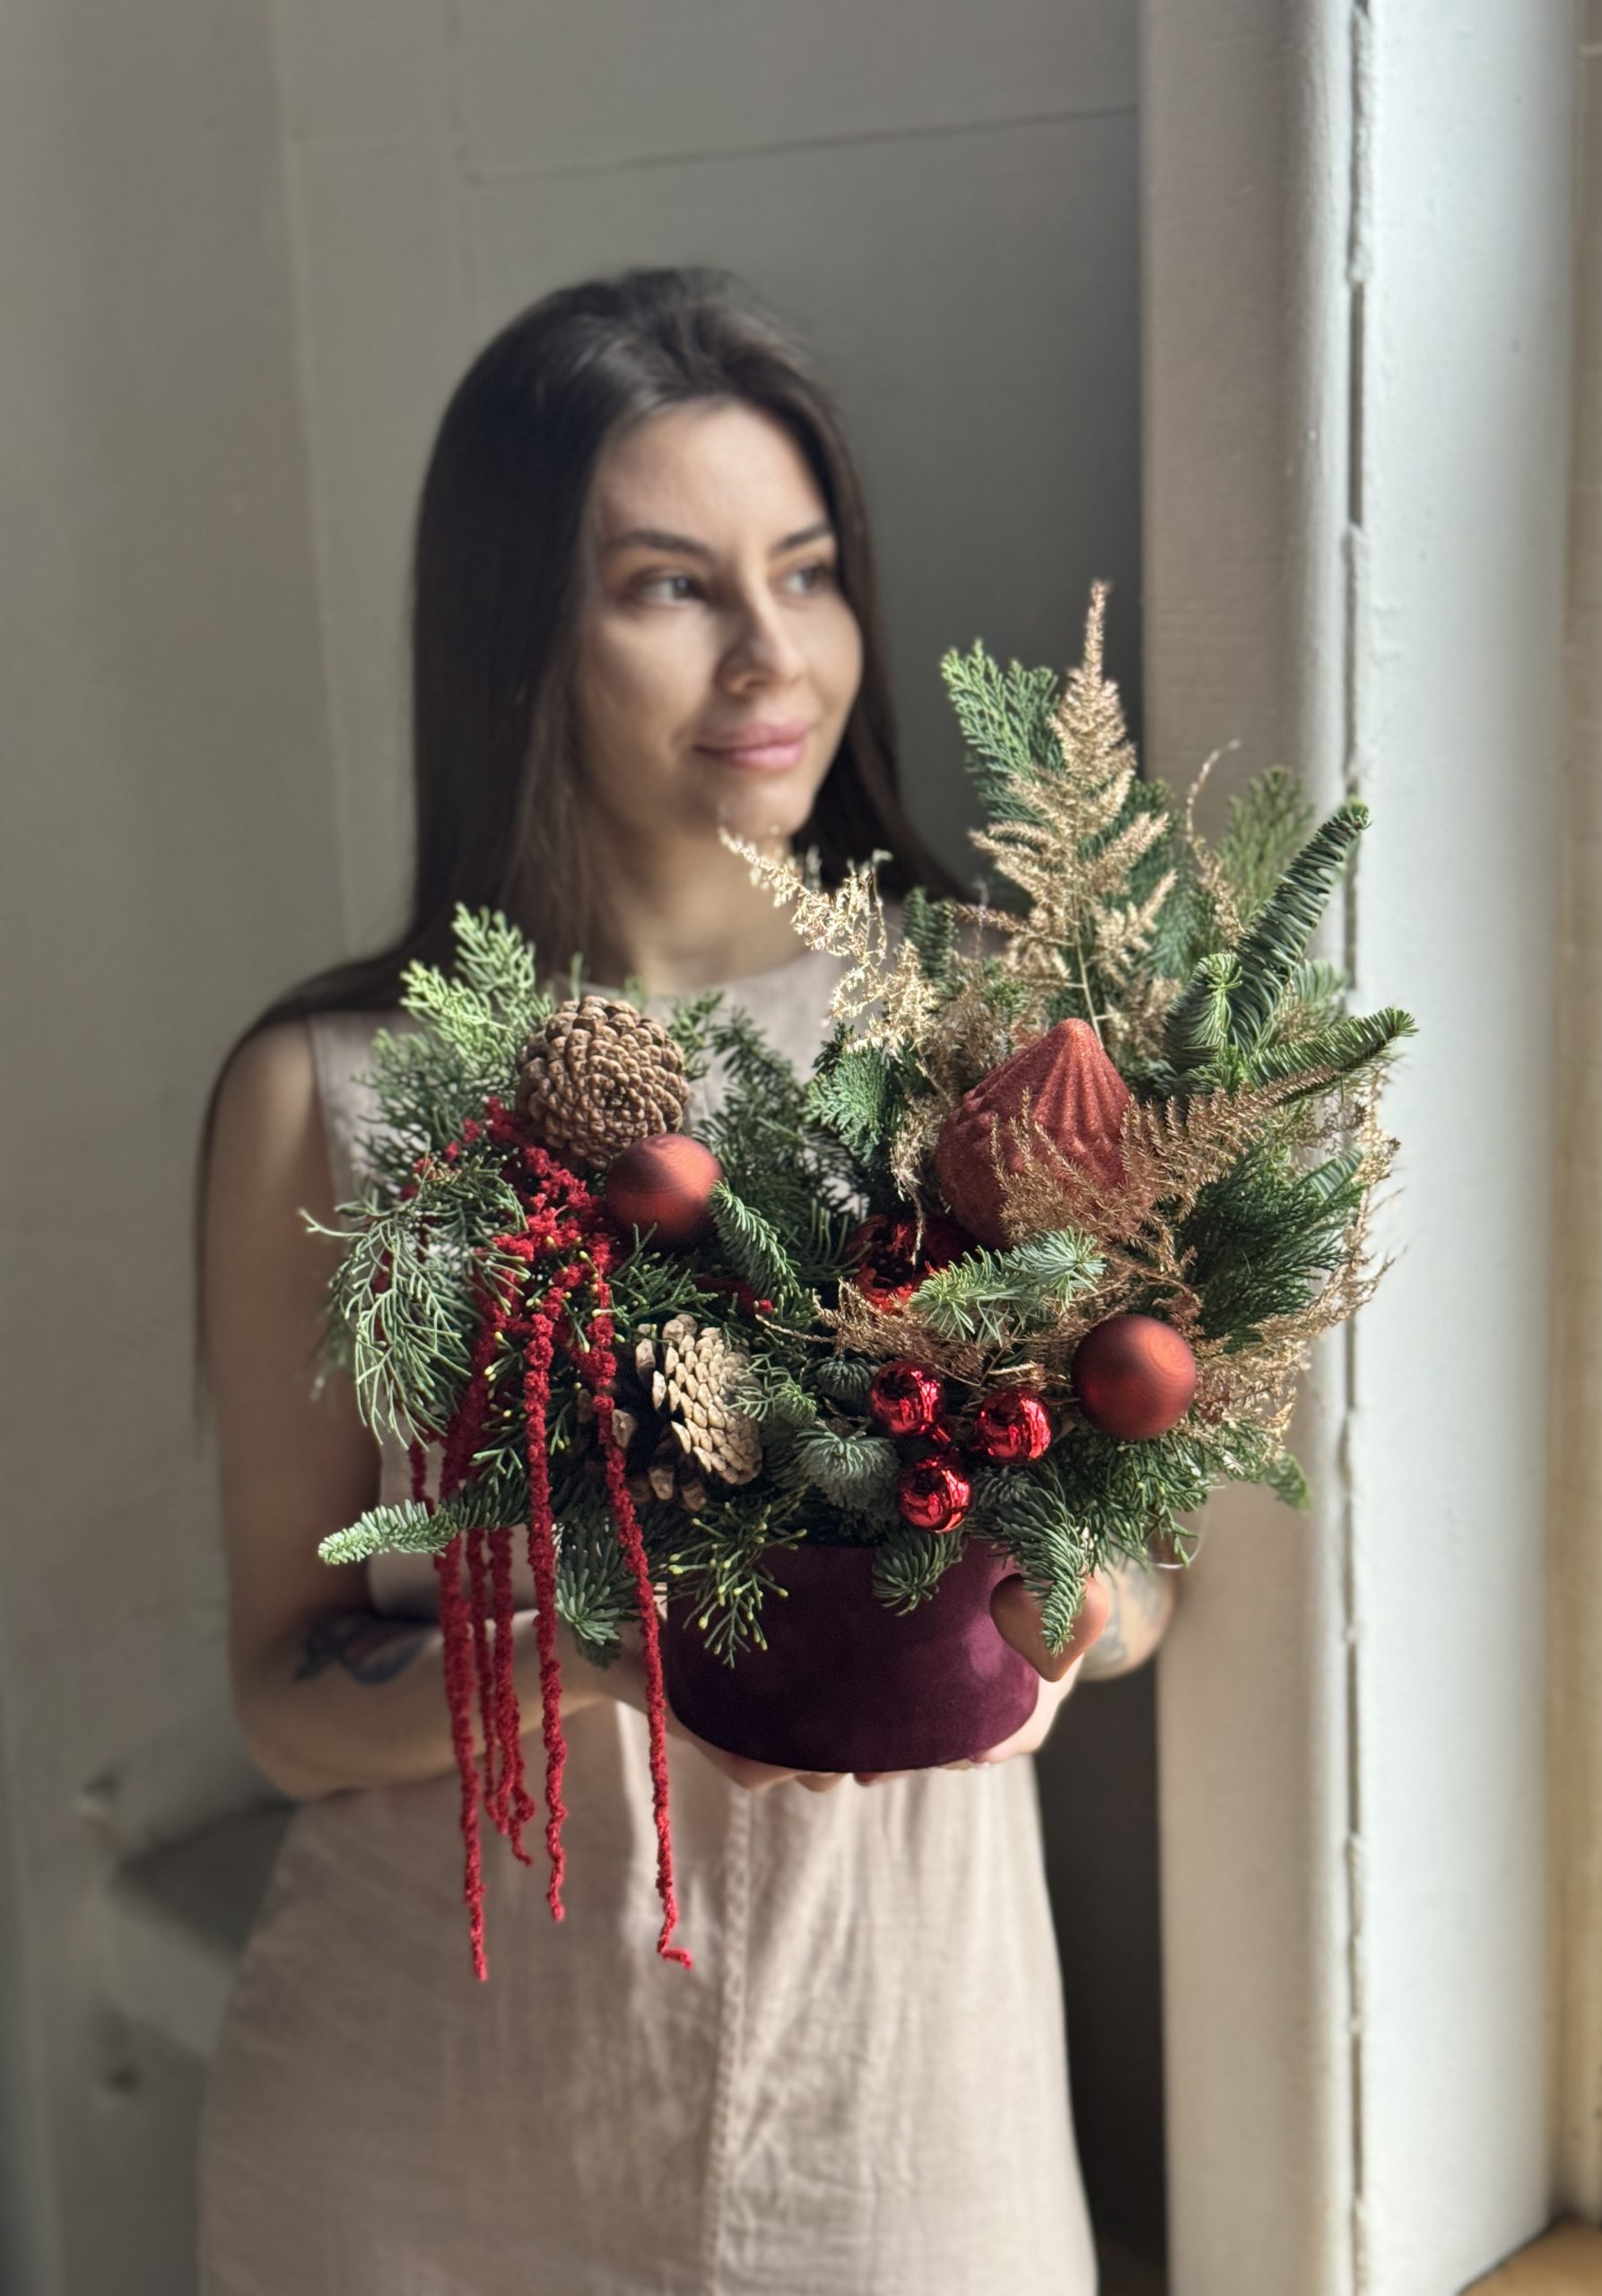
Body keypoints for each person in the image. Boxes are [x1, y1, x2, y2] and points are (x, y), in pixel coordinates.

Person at [197, 267, 1173, 2296]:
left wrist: (1053, 1606)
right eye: (670, 585)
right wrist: (592, 1646)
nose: (771, 651)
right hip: (425, 2121)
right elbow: (288, 1691)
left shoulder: (992, 1026)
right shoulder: (334, 1088)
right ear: (520, 635)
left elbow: (1145, 1558)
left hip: (898, 2094)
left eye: (805, 571)